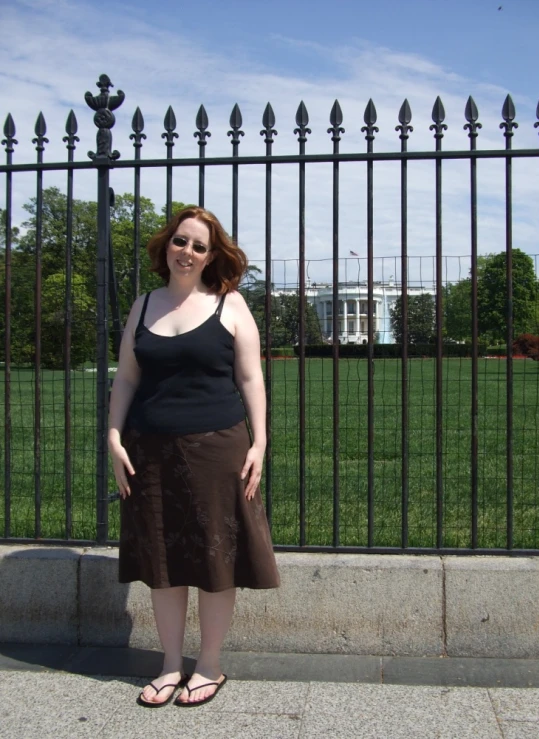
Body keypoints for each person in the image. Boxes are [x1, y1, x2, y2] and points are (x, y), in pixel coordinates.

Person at [108, 206, 280, 708]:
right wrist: (114, 437)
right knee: (162, 563)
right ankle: (168, 665)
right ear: (167, 245)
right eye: (180, 241)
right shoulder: (143, 306)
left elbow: (251, 378)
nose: (186, 251)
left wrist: (260, 442)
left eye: (198, 246)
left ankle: (208, 666)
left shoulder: (230, 305)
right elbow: (126, 377)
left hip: (216, 449)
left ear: (211, 257)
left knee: (213, 560)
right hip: (149, 451)